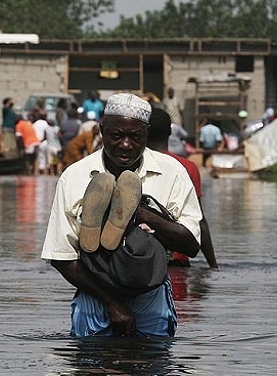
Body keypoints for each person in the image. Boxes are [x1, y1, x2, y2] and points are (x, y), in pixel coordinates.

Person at [42, 92, 202, 338]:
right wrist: (112, 303)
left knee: (150, 361)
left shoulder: (173, 173)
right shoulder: (75, 176)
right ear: (101, 130)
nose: (126, 144)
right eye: (116, 136)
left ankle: (132, 214)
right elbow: (61, 256)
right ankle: (105, 223)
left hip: (150, 288)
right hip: (96, 290)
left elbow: (191, 245)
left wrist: (142, 215)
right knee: (95, 363)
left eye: (135, 137)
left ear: (146, 134)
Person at [146, 108, 218, 268]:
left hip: (141, 258)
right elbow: (199, 219)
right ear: (170, 132)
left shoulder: (134, 164)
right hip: (178, 259)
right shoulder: (188, 167)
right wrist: (213, 265)